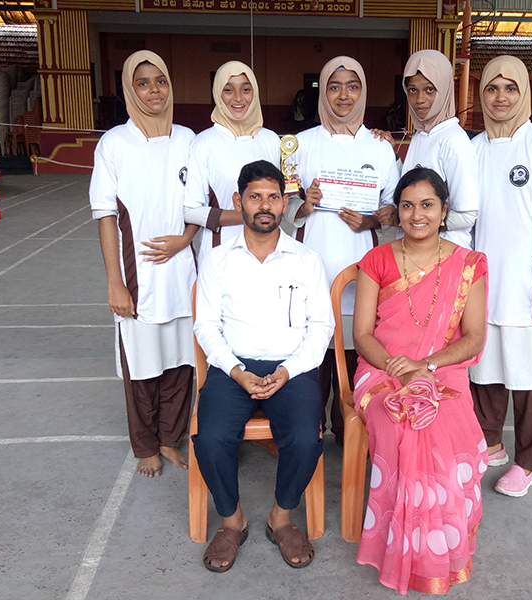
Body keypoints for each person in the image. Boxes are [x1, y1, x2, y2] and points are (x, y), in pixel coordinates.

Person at [192, 160, 334, 573]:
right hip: (233, 369)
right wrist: (236, 371)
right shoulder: (217, 260)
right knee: (211, 436)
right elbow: (206, 326)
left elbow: (321, 327)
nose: (265, 206)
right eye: (255, 197)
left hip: (291, 369)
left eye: (274, 197)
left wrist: (288, 370)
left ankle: (281, 517)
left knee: (306, 437)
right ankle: (232, 520)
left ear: (285, 203)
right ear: (239, 202)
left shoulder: (306, 259)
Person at [352, 167, 489, 594]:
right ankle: (404, 543)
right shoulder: (377, 259)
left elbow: (473, 338)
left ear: (444, 211)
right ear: (397, 211)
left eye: (427, 205)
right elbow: (362, 336)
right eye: (407, 205)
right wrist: (398, 366)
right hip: (381, 369)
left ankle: (436, 545)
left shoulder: (468, 264)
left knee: (438, 420)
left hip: (441, 369)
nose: (417, 215)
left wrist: (425, 365)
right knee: (398, 418)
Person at [469, 55, 532, 498]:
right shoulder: (474, 148)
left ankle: (529, 463)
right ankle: (490, 445)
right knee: (485, 370)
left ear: (523, 92)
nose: (500, 97)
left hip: (530, 285)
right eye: (492, 88)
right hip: (484, 283)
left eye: (510, 88)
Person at [89, 50, 197, 478]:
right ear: (129, 91)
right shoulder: (115, 143)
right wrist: (115, 282)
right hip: (137, 275)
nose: (154, 90)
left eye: (161, 81)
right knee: (142, 364)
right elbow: (105, 215)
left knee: (181, 361)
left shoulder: (188, 139)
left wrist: (184, 239)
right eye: (143, 83)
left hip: (182, 269)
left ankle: (170, 439)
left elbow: (199, 204)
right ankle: (146, 445)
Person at [286, 56, 399, 446]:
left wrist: (372, 221)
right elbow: (282, 208)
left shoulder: (379, 147)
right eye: (334, 86)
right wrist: (304, 205)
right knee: (312, 357)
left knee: (354, 355)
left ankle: (349, 433)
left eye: (353, 86)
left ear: (363, 92)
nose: (344, 95)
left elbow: (393, 209)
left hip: (360, 270)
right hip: (312, 268)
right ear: (322, 92)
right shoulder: (301, 145)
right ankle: (308, 432)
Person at [374, 49, 478, 249]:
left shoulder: (454, 141)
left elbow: (466, 216)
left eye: (429, 89)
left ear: (444, 89)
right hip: (416, 252)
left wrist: (411, 219)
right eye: (413, 90)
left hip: (445, 254)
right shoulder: (422, 134)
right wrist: (390, 154)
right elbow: (413, 183)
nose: (419, 99)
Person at [184, 61, 280, 265]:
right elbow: (191, 210)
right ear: (217, 94)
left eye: (246, 89)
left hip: (269, 253)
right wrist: (249, 215)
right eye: (228, 90)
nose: (238, 98)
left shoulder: (271, 140)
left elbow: (279, 199)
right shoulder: (205, 142)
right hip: (221, 255)